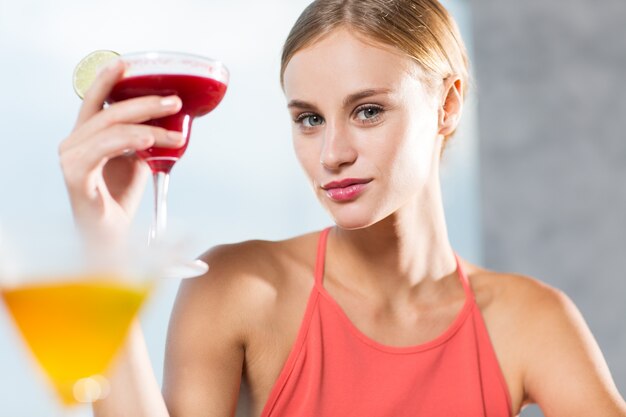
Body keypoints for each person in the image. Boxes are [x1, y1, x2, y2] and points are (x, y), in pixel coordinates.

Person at [59, 0, 626, 416]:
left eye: (369, 111)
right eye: (309, 119)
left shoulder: (530, 320)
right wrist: (104, 250)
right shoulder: (238, 288)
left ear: (448, 104)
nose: (332, 154)